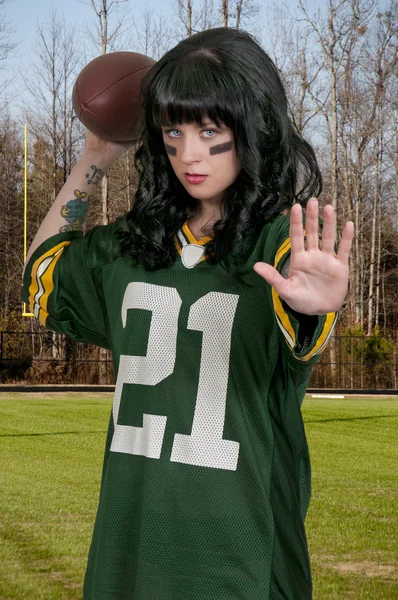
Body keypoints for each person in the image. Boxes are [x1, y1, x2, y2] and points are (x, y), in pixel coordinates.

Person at [22, 27, 353, 600]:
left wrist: (315, 309)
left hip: (238, 557)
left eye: (210, 130)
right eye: (174, 131)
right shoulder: (134, 245)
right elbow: (41, 272)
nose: (189, 155)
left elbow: (301, 315)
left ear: (254, 126)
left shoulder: (280, 243)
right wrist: (96, 153)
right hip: (128, 549)